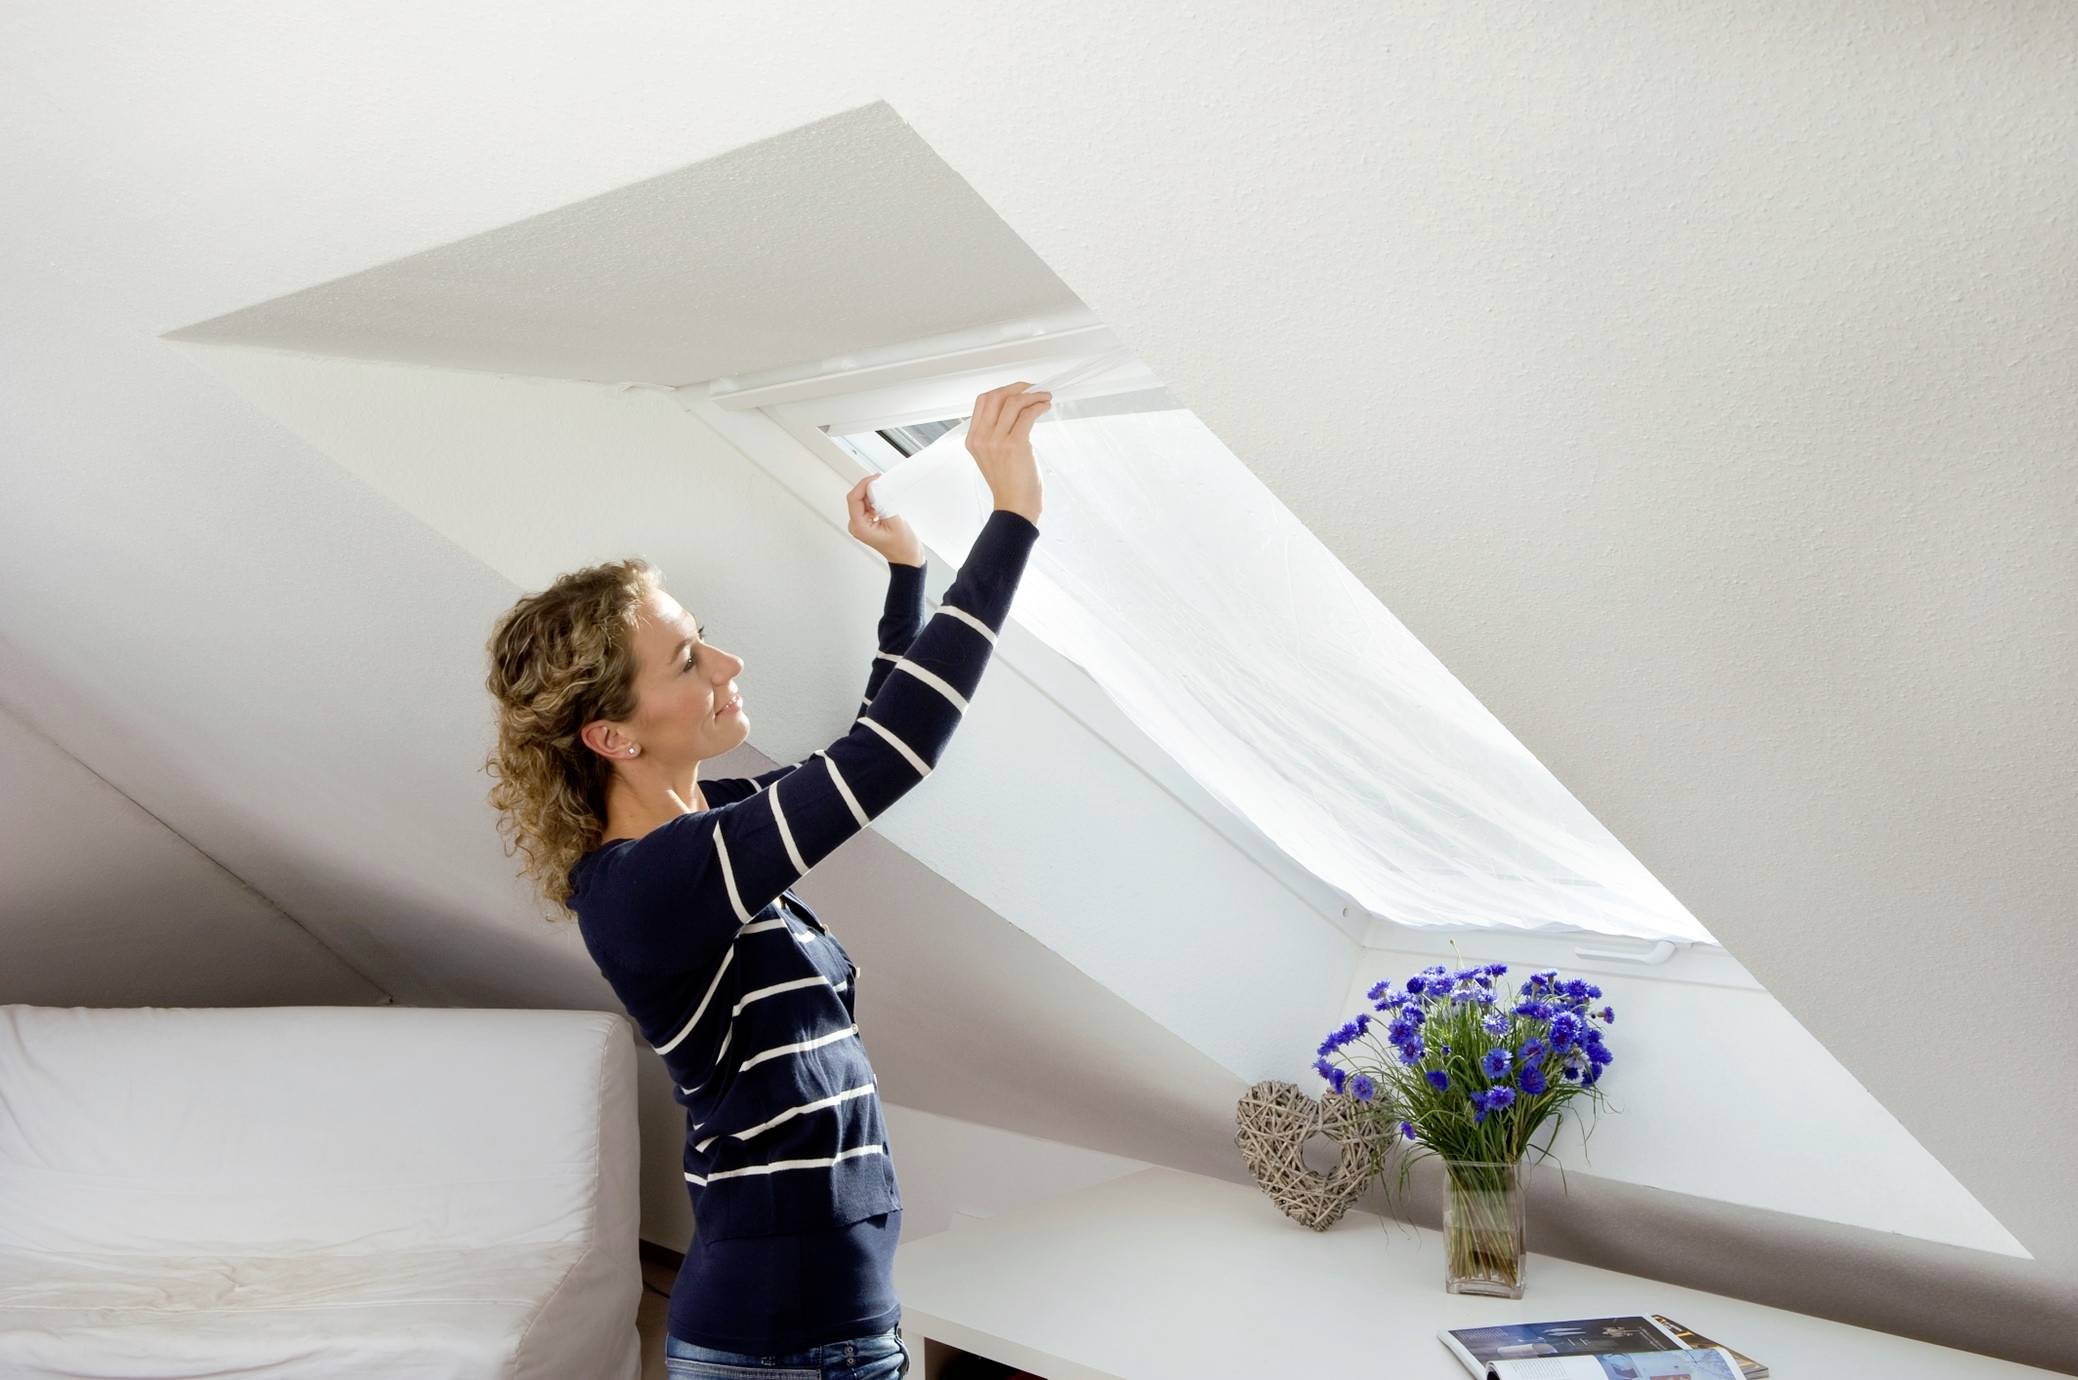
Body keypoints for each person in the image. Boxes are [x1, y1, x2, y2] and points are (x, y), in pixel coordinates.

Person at [482, 380, 1051, 1378]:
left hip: (835, 1331)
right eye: (688, 657)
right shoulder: (651, 885)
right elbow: (894, 751)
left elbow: (868, 749)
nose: (727, 661)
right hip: (777, 1349)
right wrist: (1010, 517)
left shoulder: (709, 834)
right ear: (613, 734)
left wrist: (905, 573)